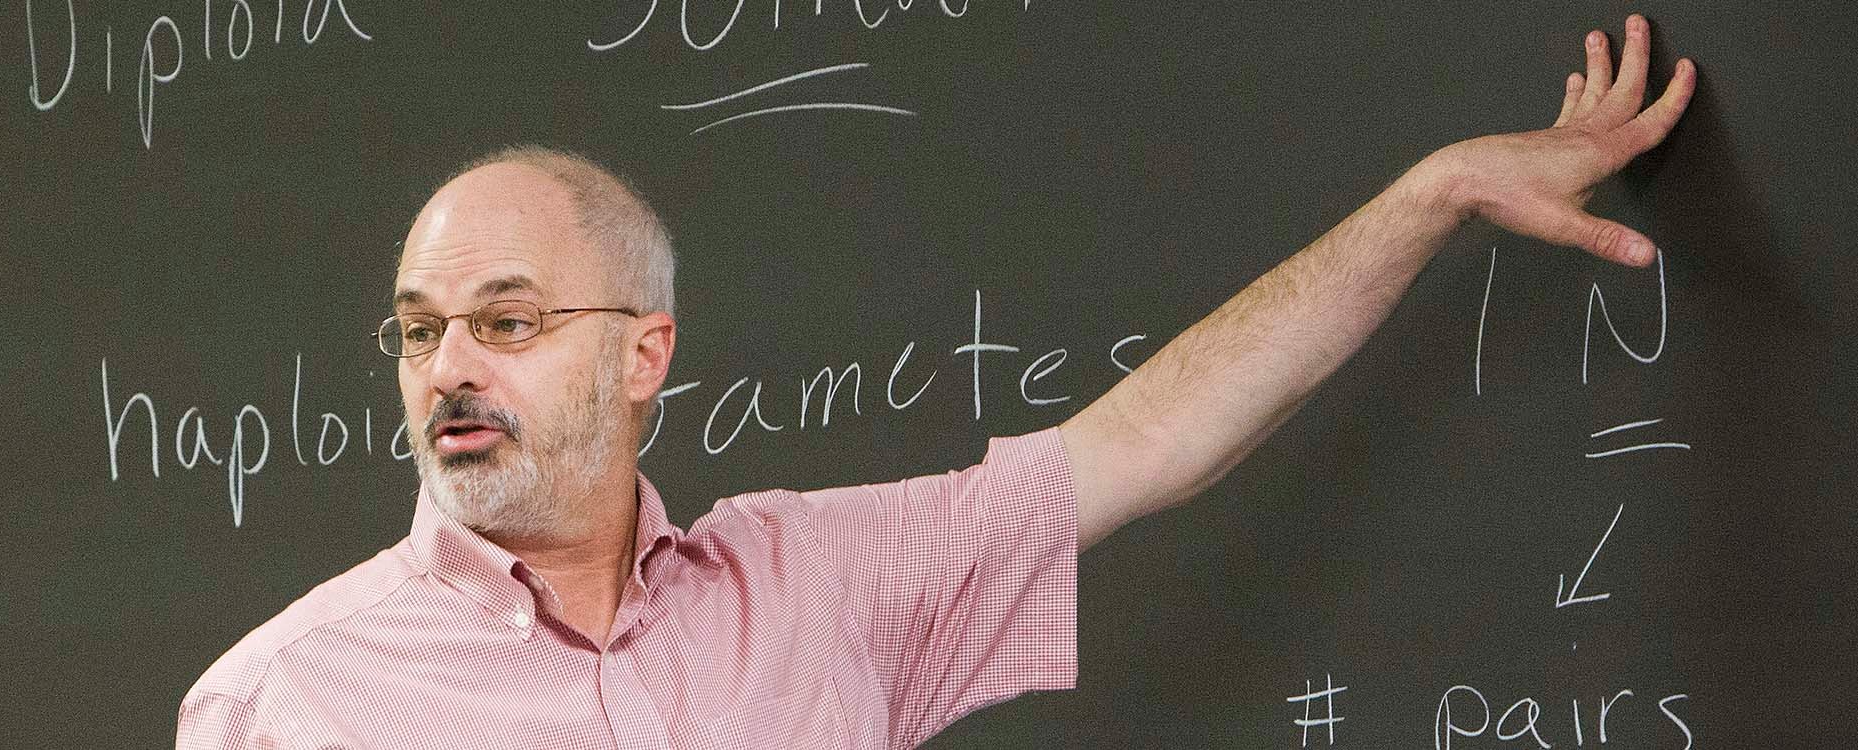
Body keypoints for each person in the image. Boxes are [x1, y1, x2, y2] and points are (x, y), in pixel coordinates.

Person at [178, 15, 1694, 749]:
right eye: (416, 326)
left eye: (505, 320)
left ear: (643, 350)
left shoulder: (815, 583)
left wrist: (1427, 195)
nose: (447, 364)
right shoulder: (284, 700)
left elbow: (1151, 438)